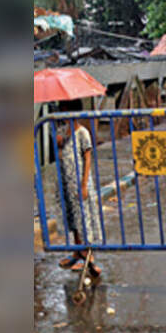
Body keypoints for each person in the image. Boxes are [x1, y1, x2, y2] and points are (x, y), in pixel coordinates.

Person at [55, 103, 102, 275]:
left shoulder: (82, 132)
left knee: (84, 218)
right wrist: (58, 145)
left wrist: (84, 184)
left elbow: (88, 158)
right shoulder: (62, 132)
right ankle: (77, 251)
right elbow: (59, 155)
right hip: (65, 181)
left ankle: (89, 256)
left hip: (79, 181)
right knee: (73, 219)